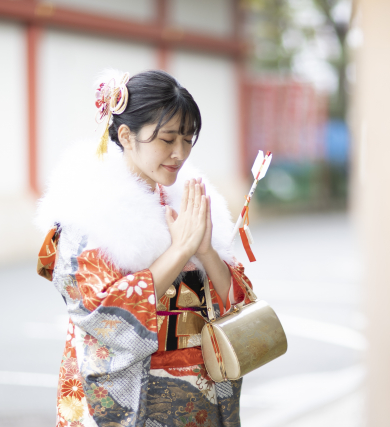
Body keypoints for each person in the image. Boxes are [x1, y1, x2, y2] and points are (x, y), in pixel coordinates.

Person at [35, 69, 252, 427]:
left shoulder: (191, 200)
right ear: (126, 135)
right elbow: (102, 312)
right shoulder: (87, 213)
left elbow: (238, 304)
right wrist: (180, 251)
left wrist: (207, 252)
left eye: (187, 140)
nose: (179, 153)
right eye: (167, 139)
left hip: (200, 385)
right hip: (135, 390)